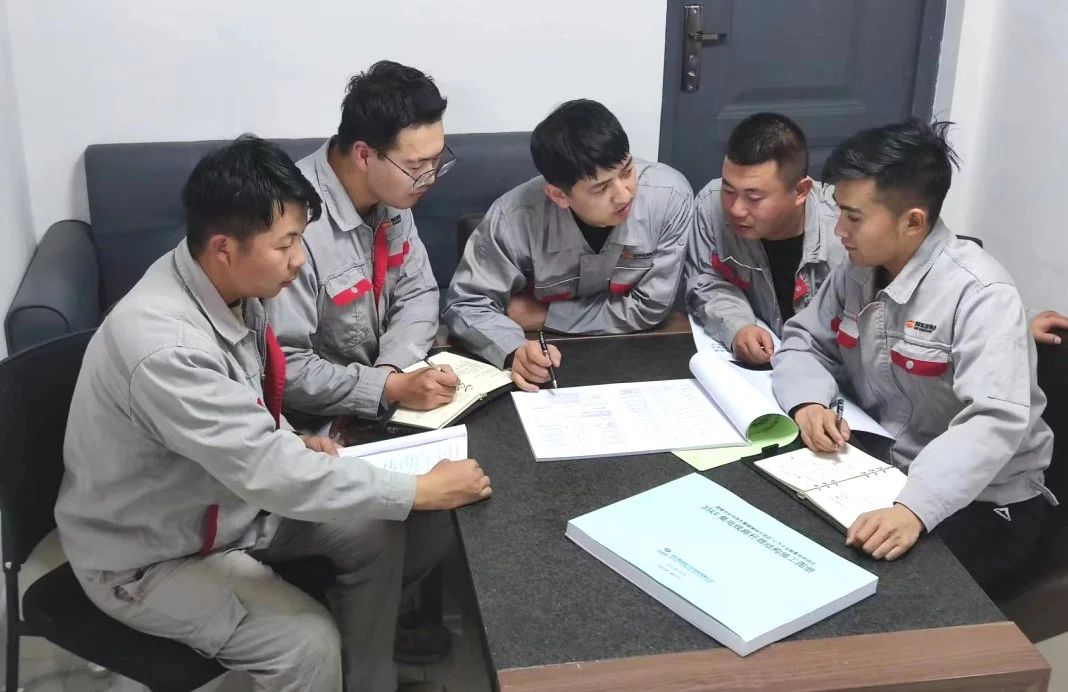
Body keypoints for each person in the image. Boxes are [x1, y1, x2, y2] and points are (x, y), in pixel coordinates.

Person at [54, 135, 491, 692]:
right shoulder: (165, 348)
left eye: (300, 239)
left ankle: (366, 680)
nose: (299, 260)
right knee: (306, 645)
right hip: (151, 554)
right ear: (224, 247)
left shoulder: (228, 283)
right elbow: (267, 469)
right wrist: (418, 490)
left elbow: (250, 402)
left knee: (377, 531)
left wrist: (290, 437)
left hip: (230, 503)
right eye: (286, 245)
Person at [771, 120, 1055, 592]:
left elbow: (993, 421)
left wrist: (914, 508)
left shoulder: (981, 293)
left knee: (872, 590)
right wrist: (808, 403)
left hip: (985, 500)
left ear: (913, 221)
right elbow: (804, 341)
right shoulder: (857, 270)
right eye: (839, 211)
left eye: (854, 217)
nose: (839, 230)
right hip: (885, 467)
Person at [442, 99, 693, 391]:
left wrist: (544, 315)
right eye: (601, 187)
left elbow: (650, 307)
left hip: (635, 352)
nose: (624, 195)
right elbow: (466, 304)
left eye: (627, 171)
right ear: (559, 195)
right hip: (545, 356)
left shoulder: (669, 197)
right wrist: (512, 348)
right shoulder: (513, 218)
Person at [272, 61, 458, 429]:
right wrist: (386, 388)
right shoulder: (290, 225)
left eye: (437, 161)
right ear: (363, 154)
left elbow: (418, 293)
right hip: (314, 425)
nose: (430, 178)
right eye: (417, 166)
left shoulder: (393, 194)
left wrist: (391, 372)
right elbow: (287, 366)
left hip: (388, 398)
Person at [684, 112, 843, 366]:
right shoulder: (711, 204)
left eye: (754, 198)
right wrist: (738, 327)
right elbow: (706, 281)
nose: (736, 209)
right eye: (728, 190)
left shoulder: (844, 230)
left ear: (800, 191)